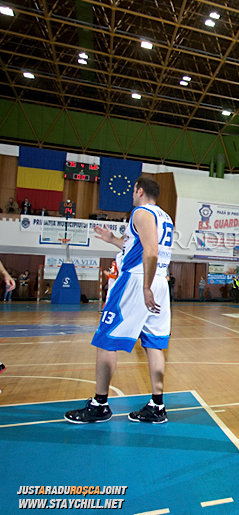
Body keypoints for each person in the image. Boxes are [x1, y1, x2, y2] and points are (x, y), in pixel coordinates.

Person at [64, 177, 174, 425]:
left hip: (138, 281)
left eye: (133, 190)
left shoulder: (141, 212)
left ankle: (99, 404)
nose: (132, 195)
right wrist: (113, 239)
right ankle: (157, 406)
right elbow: (138, 246)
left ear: (140, 191)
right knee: (154, 343)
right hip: (159, 282)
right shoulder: (164, 217)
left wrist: (144, 286)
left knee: (106, 340)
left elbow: (151, 251)